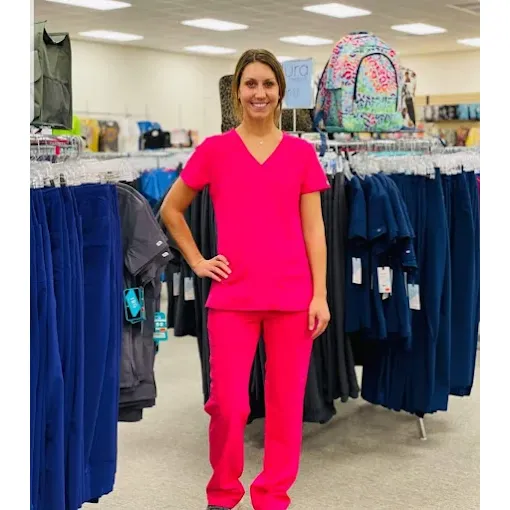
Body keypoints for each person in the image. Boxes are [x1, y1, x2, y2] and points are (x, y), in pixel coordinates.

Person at [161, 49, 331, 510]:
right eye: (250, 83)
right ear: (236, 91)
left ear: (280, 92)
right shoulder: (214, 151)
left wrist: (320, 294)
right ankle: (222, 493)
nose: (259, 93)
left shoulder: (301, 153)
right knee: (228, 404)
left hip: (292, 297)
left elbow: (314, 230)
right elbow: (171, 210)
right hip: (232, 298)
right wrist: (197, 261)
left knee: (285, 405)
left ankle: (273, 496)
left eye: (268, 84)